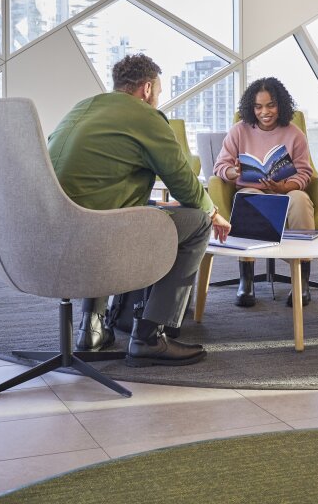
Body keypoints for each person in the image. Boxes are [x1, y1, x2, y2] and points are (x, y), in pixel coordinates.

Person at [47, 53, 231, 367]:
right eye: (158, 92)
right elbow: (185, 185)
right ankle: (149, 335)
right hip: (98, 234)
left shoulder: (82, 108)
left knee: (138, 210)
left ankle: (91, 327)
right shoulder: (145, 116)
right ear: (146, 89)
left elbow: (96, 187)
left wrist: (153, 206)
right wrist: (213, 212)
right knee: (198, 223)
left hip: (55, 231)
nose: (157, 99)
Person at [213, 77, 316, 308]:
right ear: (252, 108)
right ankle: (246, 281)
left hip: (286, 190)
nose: (265, 112)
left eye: (270, 105)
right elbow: (220, 167)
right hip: (252, 188)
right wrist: (233, 171)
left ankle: (302, 282)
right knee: (248, 197)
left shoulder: (294, 133)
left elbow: (305, 173)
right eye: (258, 106)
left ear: (280, 105)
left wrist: (285, 187)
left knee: (300, 200)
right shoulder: (239, 131)